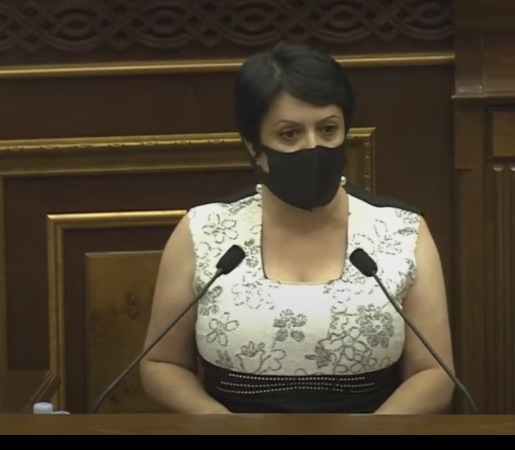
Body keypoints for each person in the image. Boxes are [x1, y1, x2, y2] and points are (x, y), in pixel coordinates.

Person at [140, 42, 455, 414]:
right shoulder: (204, 231)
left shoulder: (402, 231)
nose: (313, 147)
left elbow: (433, 374)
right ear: (254, 147)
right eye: (290, 134)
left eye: (328, 129)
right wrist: (221, 426)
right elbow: (162, 363)